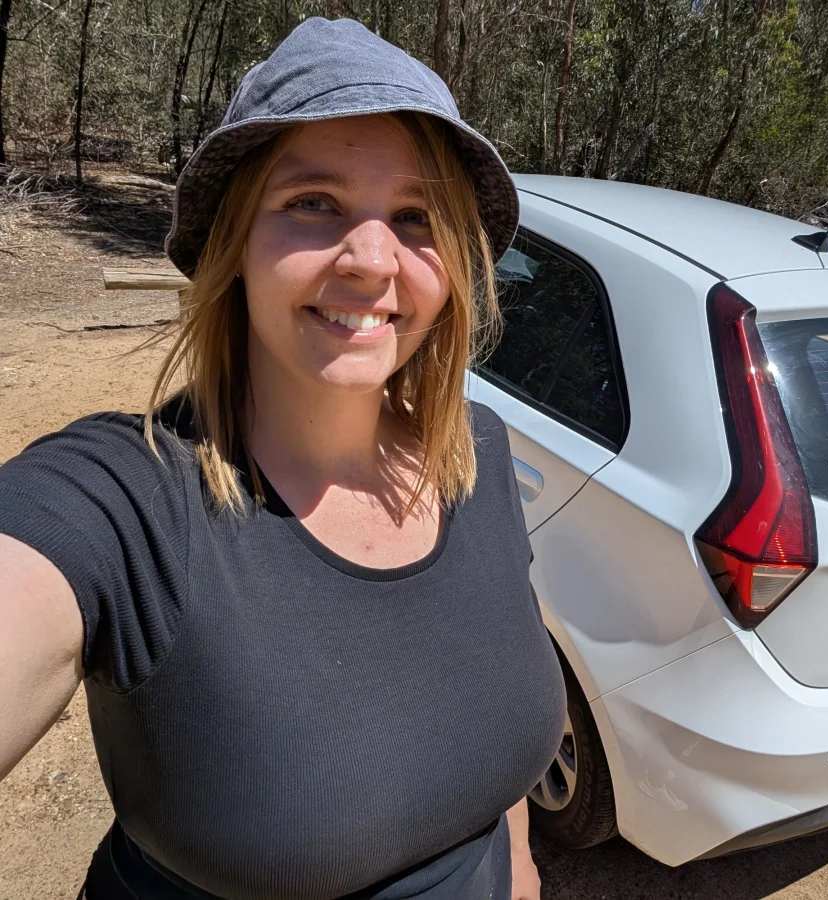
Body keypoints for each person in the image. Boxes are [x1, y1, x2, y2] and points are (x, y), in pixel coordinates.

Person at [0, 18, 565, 900]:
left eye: (416, 216)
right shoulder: (127, 502)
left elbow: (498, 777)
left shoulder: (477, 454)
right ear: (235, 244)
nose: (372, 259)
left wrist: (520, 877)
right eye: (314, 202)